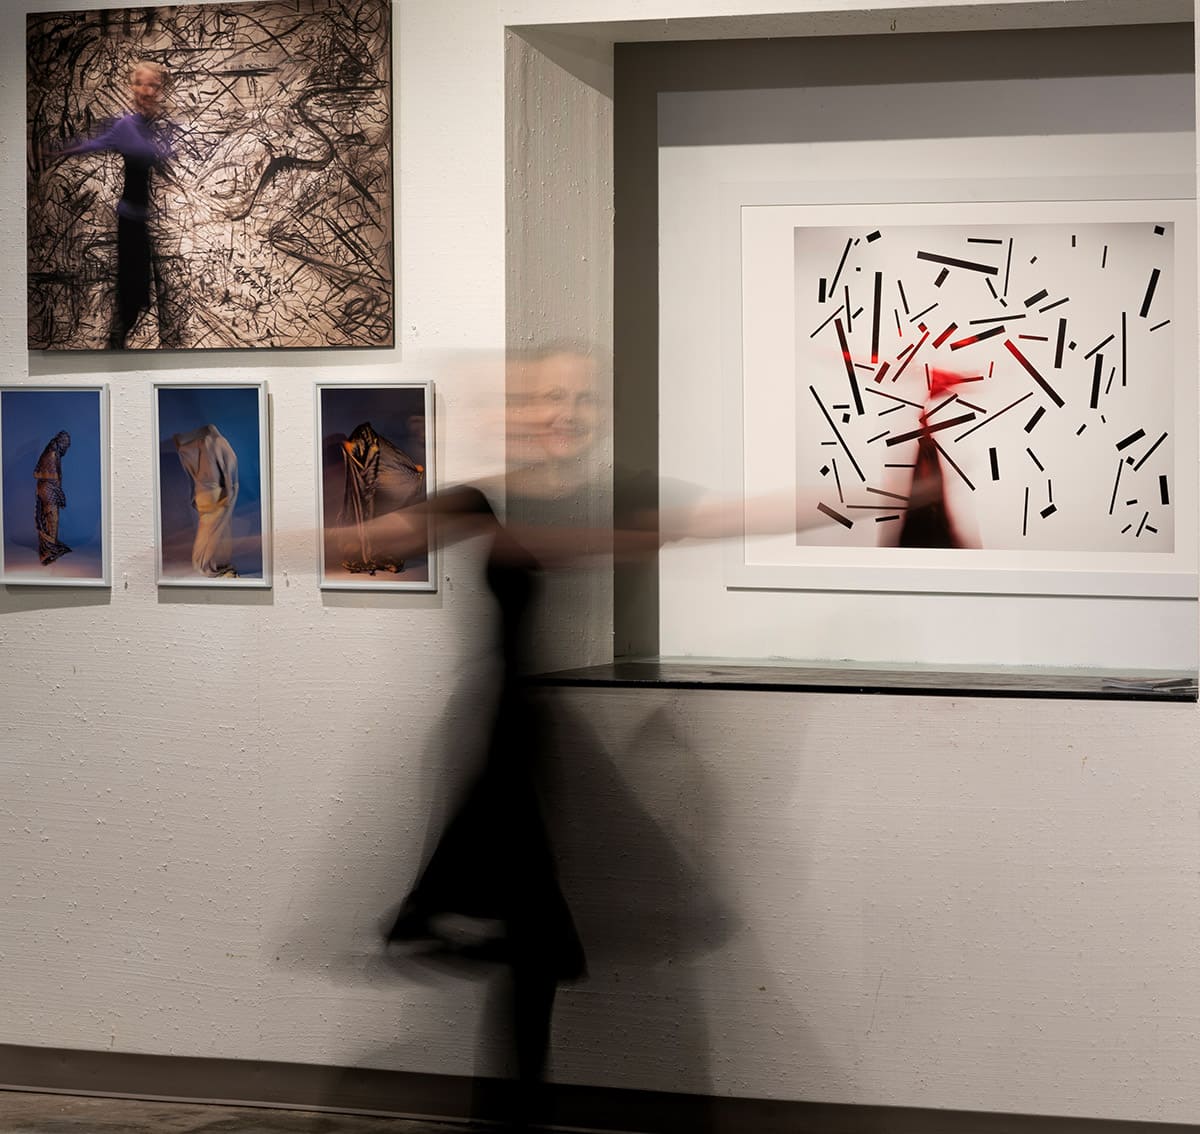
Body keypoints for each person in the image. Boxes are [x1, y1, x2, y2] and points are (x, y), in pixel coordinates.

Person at [54, 60, 177, 348]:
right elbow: (93, 145)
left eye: (153, 85)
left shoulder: (158, 127)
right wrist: (57, 151)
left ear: (160, 90)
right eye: (141, 84)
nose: (147, 90)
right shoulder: (127, 126)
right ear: (132, 88)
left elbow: (169, 154)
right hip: (130, 220)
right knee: (132, 291)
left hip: (149, 222)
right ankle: (115, 344)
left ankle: (119, 342)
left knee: (142, 292)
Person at [34, 431, 71, 565]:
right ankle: (47, 551)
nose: (67, 447)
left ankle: (50, 546)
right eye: (66, 444)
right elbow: (51, 480)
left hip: (49, 490)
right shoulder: (51, 455)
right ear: (61, 442)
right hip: (47, 491)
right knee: (51, 518)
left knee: (51, 519)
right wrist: (59, 494)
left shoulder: (54, 454)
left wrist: (59, 494)